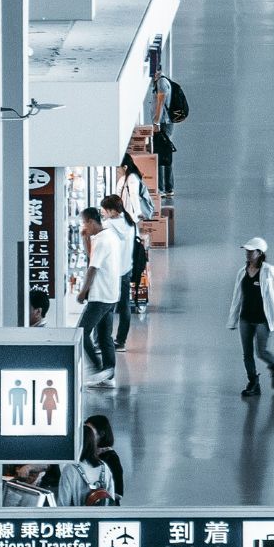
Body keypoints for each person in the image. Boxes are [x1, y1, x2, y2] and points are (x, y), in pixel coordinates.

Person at [227, 237, 274, 397]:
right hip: (245, 318)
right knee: (247, 353)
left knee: (261, 351)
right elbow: (237, 297)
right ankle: (253, 382)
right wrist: (233, 319)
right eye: (247, 251)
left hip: (262, 320)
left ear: (259, 253)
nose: (247, 254)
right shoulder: (242, 272)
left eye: (251, 251)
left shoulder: (269, 271)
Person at [76, 208, 122, 387]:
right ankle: (108, 372)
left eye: (84, 222)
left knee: (82, 332)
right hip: (111, 294)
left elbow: (92, 268)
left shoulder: (103, 241)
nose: (84, 226)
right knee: (104, 335)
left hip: (100, 296)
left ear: (91, 222)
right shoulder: (109, 237)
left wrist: (82, 292)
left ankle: (97, 369)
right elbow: (93, 258)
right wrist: (85, 238)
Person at [100, 195, 139, 351]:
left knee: (106, 307)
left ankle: (104, 340)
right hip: (126, 269)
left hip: (111, 272)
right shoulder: (130, 223)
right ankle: (121, 341)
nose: (102, 212)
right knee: (124, 307)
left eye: (104, 209)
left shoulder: (107, 226)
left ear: (111, 210)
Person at [85, 413, 125, 496]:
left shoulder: (111, 457)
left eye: (90, 431)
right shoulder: (87, 454)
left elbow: (118, 492)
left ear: (102, 434)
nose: (86, 434)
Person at [117, 154, 155, 223]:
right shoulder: (123, 179)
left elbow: (134, 195)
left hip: (132, 216)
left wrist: (138, 213)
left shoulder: (132, 178)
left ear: (125, 167)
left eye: (118, 168)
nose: (118, 170)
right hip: (127, 215)